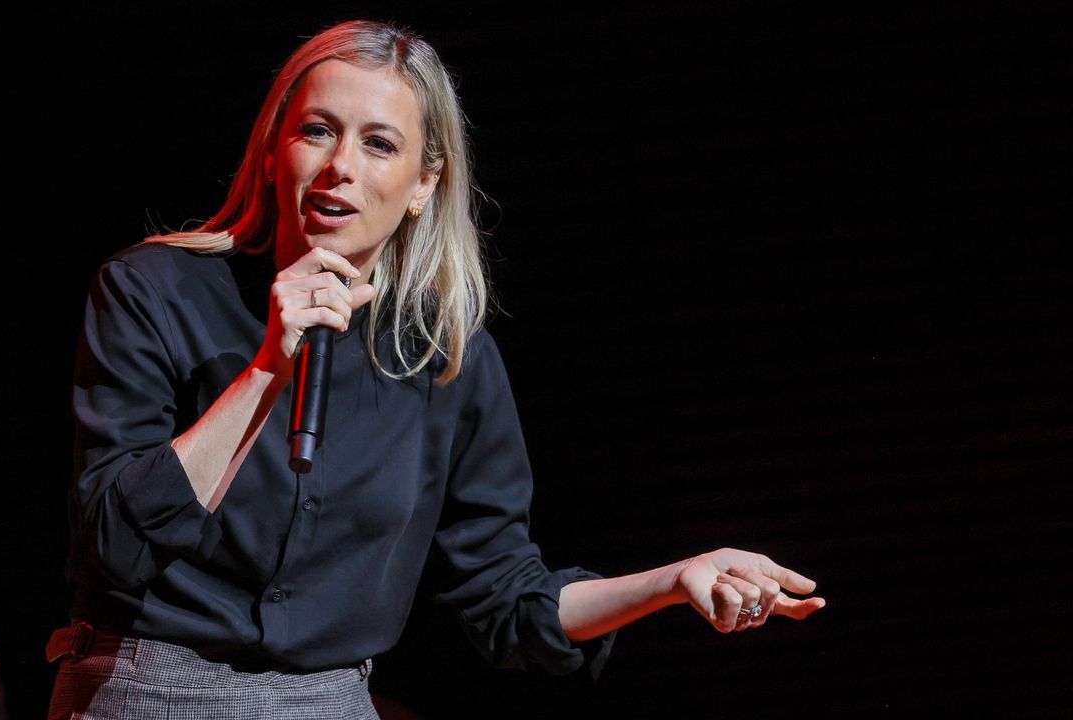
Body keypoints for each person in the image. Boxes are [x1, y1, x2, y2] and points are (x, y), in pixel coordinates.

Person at [47, 19, 825, 719]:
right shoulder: (154, 291)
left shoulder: (446, 358)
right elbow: (111, 545)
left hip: (329, 701)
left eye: (379, 143)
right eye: (317, 130)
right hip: (150, 689)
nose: (340, 166)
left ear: (425, 183)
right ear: (273, 147)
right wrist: (264, 373)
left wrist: (674, 578)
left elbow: (505, 598)